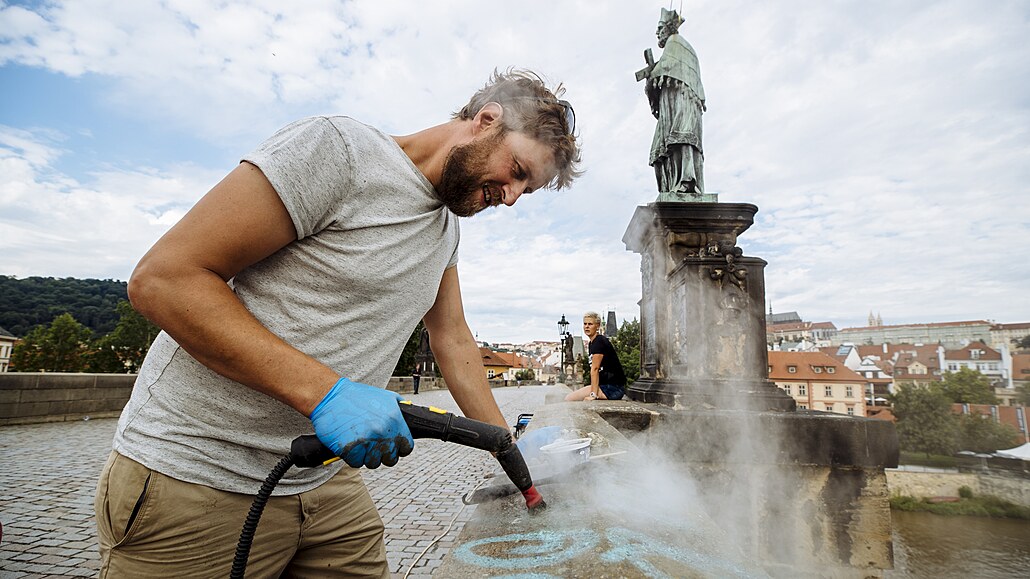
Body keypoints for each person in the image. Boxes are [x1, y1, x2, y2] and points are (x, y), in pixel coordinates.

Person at [94, 69, 581, 577]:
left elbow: (452, 336)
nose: (510, 196)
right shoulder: (339, 150)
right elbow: (164, 279)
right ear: (486, 120)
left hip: (322, 478)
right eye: (518, 170)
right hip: (196, 474)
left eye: (527, 189)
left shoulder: (445, 230)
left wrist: (505, 441)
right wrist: (325, 393)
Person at [644, 8, 707, 201]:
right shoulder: (675, 48)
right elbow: (664, 72)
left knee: (680, 139)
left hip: (681, 105)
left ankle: (686, 182)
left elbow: (666, 71)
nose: (657, 33)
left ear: (669, 28)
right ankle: (672, 185)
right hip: (670, 107)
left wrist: (652, 75)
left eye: (660, 27)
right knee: (660, 151)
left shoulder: (676, 44)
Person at [565, 312, 627, 401]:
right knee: (572, 398)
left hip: (612, 389)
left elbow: (595, 369)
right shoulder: (592, 343)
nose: (586, 326)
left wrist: (593, 395)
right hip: (608, 387)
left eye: (590, 324)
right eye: (585, 324)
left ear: (597, 326)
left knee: (569, 398)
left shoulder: (599, 341)